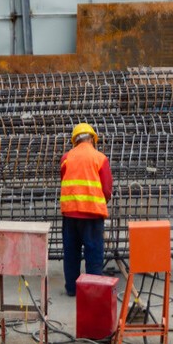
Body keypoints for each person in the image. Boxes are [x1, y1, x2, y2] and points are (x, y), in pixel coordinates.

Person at [59, 123, 112, 297]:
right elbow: (107, 189)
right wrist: (101, 201)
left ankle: (72, 289)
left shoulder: (66, 158)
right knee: (94, 253)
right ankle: (93, 292)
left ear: (75, 140)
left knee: (71, 253)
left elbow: (64, 180)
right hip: (92, 215)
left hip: (70, 214)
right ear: (92, 139)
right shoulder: (100, 158)